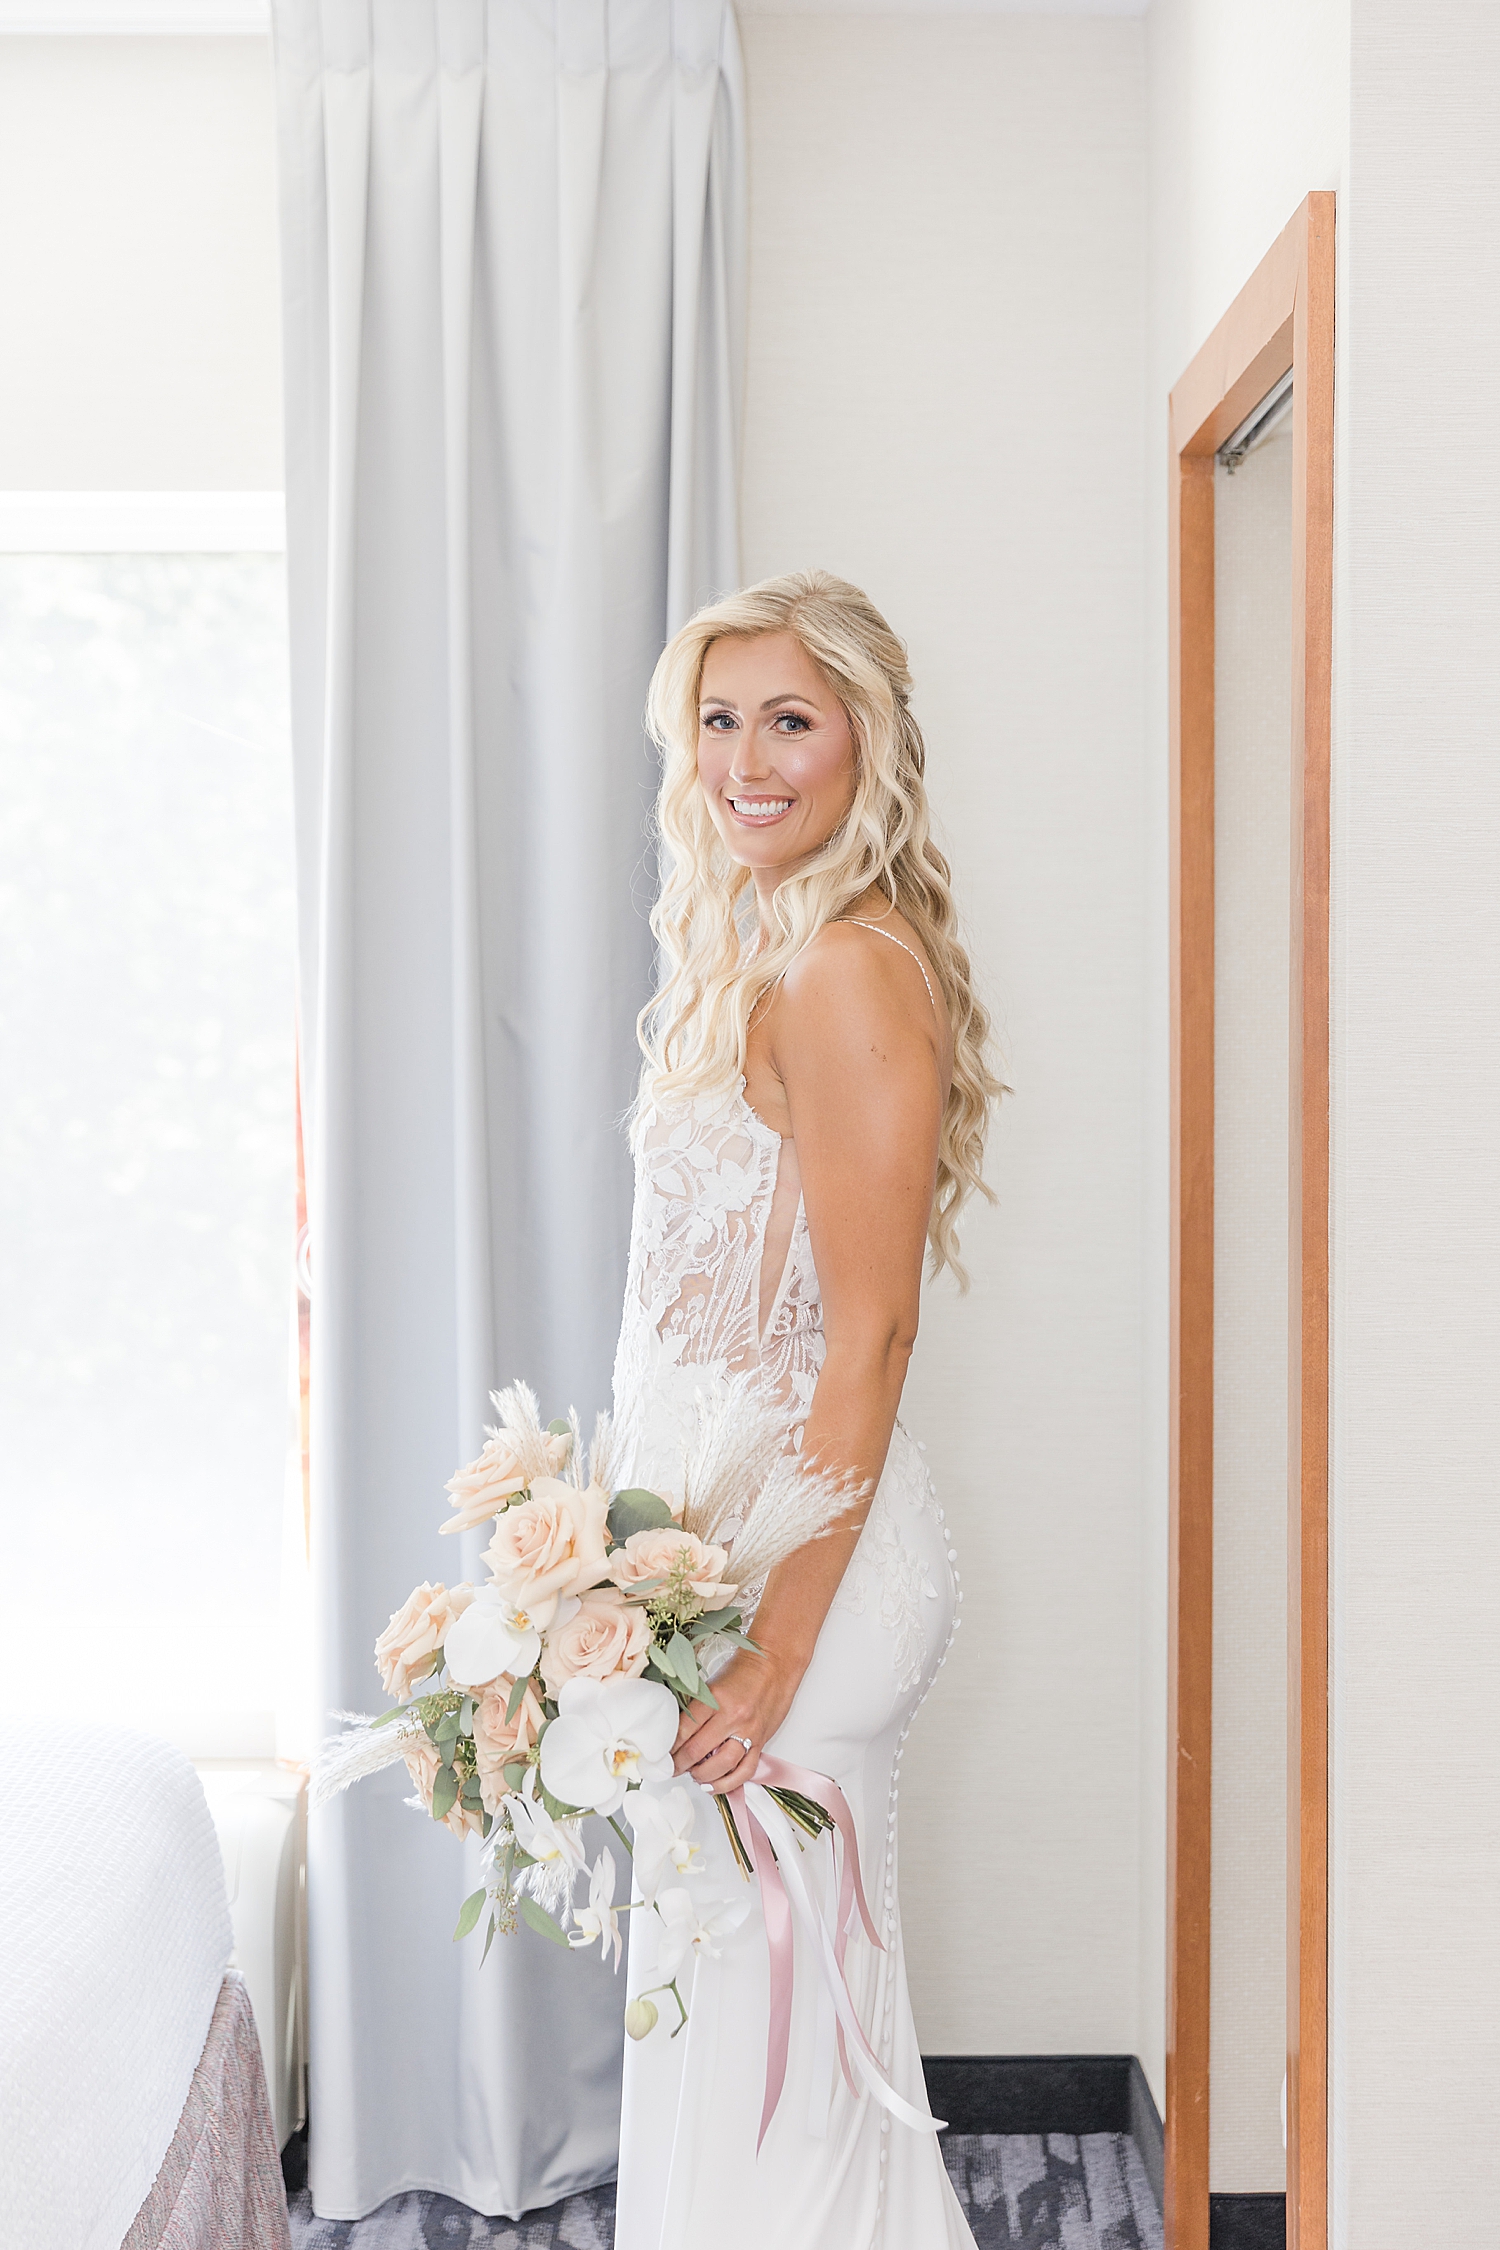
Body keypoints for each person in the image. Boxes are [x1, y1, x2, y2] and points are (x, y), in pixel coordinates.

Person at [609, 570, 1002, 2248]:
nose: (747, 759)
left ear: (868, 741)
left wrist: (770, 1636)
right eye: (719, 717)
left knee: (772, 2039)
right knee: (746, 2025)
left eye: (792, 718)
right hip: (729, 1571)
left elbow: (875, 1334)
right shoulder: (764, 946)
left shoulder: (844, 966)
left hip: (801, 1583)